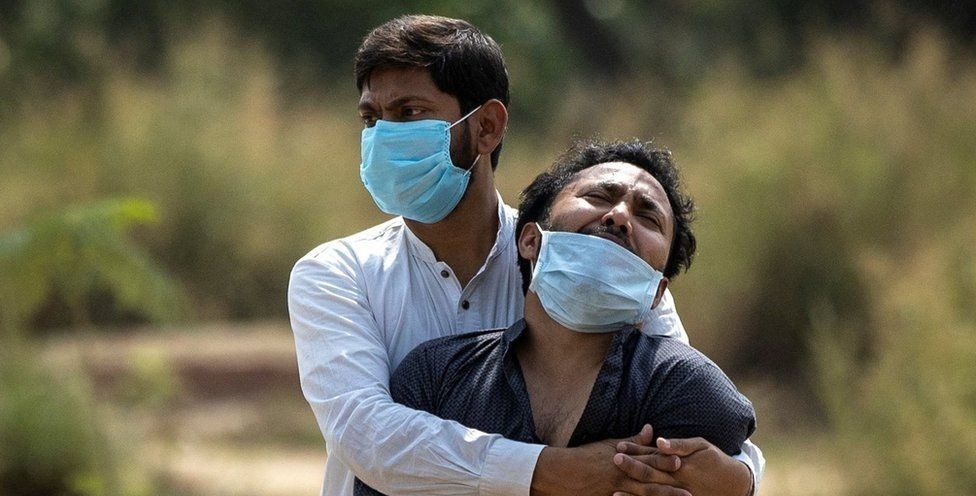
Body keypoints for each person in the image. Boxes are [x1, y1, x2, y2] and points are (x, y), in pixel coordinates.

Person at [288, 14, 764, 496]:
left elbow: (696, 413)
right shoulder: (336, 274)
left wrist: (738, 480)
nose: (384, 135)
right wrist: (556, 471)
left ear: (487, 127)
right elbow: (365, 434)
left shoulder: (588, 259)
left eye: (409, 112)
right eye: (371, 118)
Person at [355, 138, 757, 496]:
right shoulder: (437, 378)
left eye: (647, 217)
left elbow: (735, 477)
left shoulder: (683, 387)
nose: (619, 216)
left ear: (657, 293)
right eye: (600, 196)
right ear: (530, 240)